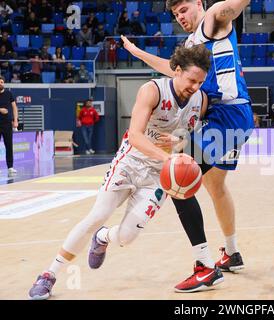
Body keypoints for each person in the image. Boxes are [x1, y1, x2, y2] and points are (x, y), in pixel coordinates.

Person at [28, 45, 213, 300]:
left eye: (201, 82)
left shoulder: (201, 100)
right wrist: (169, 158)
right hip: (130, 163)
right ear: (177, 71)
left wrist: (180, 155)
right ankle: (49, 274)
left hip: (158, 177)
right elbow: (135, 135)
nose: (195, 86)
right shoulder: (152, 90)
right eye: (192, 80)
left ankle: (103, 237)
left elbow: (184, 137)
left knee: (127, 237)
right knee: (98, 215)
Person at [121, 0, 253, 293]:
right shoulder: (193, 44)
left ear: (198, 4)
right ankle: (231, 253)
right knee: (215, 185)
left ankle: (205, 268)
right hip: (228, 118)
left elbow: (223, 10)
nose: (180, 17)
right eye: (175, 14)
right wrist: (136, 52)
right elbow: (172, 70)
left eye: (183, 10)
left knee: (179, 178)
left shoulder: (211, 23)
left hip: (226, 116)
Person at [0, 76, 18, 175]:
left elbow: (14, 107)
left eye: (2, 82)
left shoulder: (8, 93)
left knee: (9, 146)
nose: (1, 84)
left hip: (7, 124)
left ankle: (10, 167)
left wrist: (15, 120)